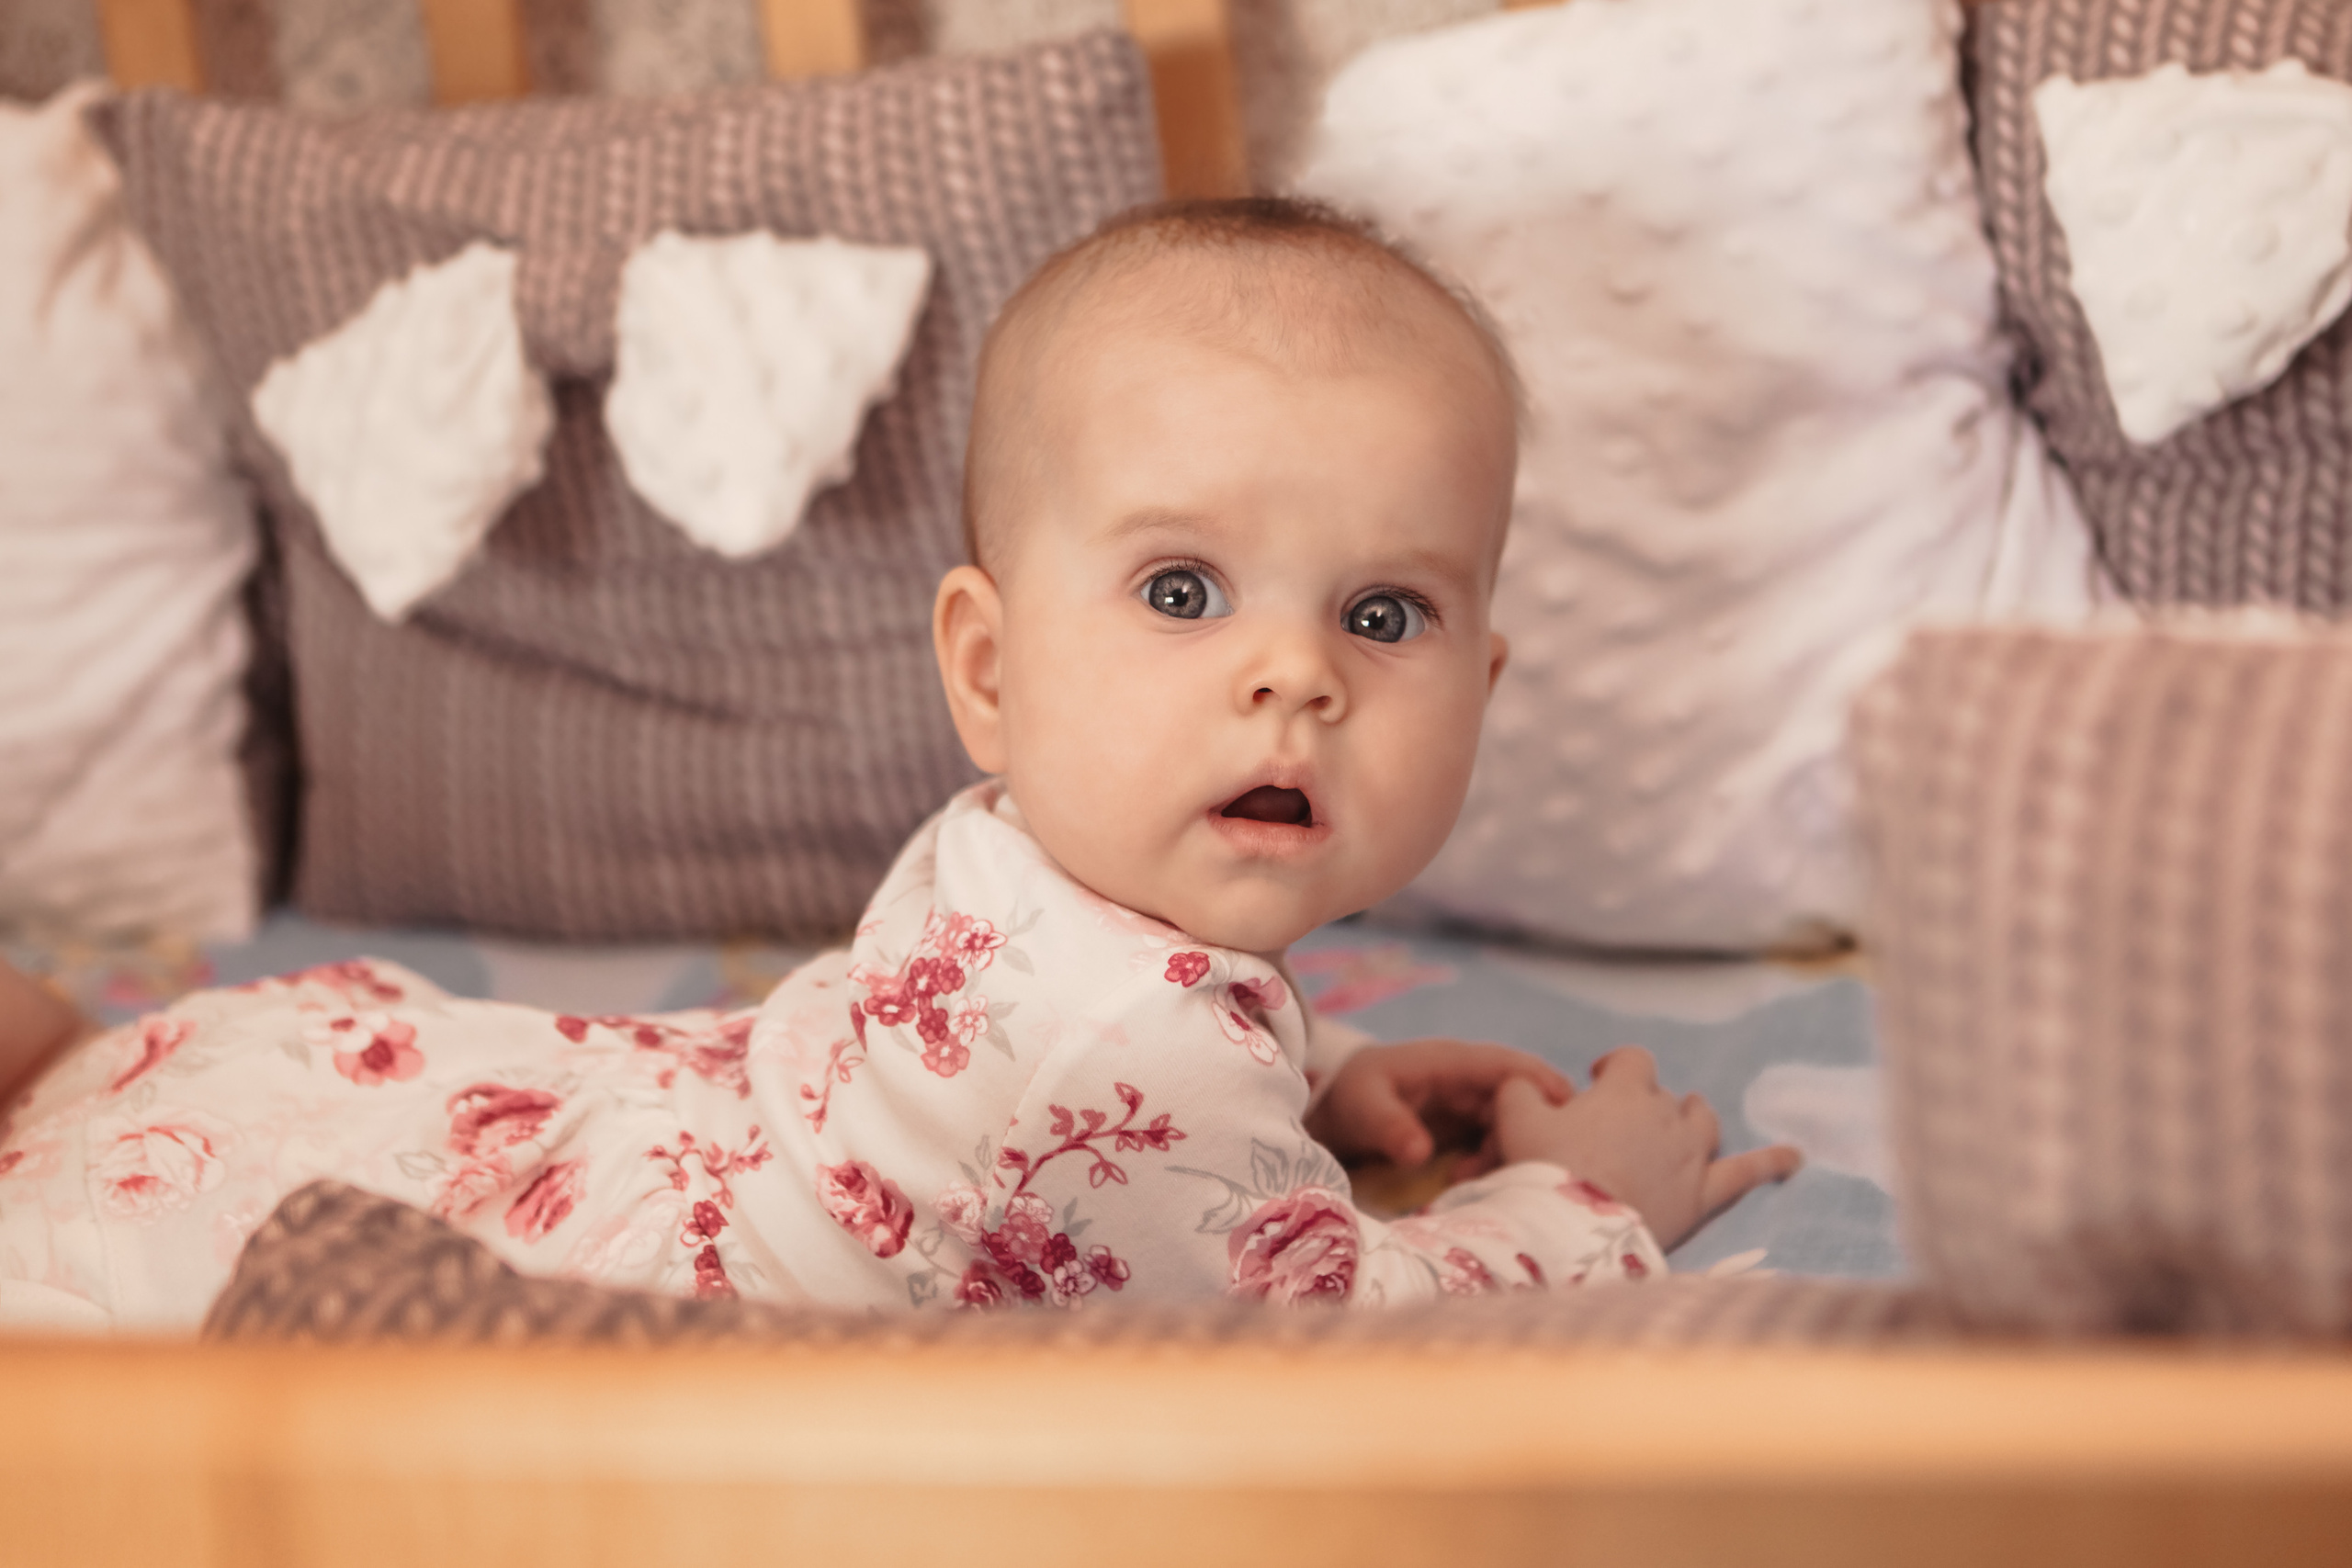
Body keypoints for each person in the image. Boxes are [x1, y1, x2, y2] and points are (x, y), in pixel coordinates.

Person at [0, 198, 1796, 1331]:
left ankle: (64, 1052)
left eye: (1383, 617)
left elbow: (1088, 1086)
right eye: (1183, 589)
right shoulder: (1141, 1049)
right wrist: (1585, 1203)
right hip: (348, 1250)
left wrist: (1313, 1077)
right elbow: (1343, 1343)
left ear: (1482, 680)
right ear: (990, 668)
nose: (1290, 675)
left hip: (338, 1081)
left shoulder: (1029, 856)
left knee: (90, 1080)